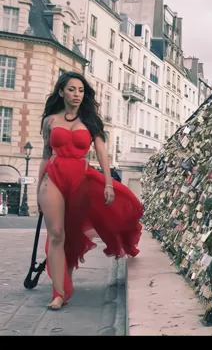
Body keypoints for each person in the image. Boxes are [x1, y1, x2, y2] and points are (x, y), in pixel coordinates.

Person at [37, 71, 143, 310]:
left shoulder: (91, 121)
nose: (77, 94)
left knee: (72, 233)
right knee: (56, 233)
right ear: (61, 91)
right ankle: (59, 292)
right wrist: (37, 187)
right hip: (53, 177)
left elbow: (103, 153)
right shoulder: (50, 121)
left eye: (81, 90)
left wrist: (108, 183)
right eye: (72, 89)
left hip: (81, 180)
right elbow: (45, 155)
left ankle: (66, 277)